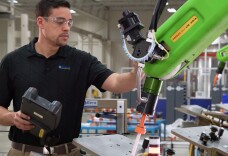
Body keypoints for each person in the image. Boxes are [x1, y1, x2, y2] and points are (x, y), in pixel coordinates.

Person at [0, 0, 138, 155]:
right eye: (59, 22)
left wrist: (137, 71)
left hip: (68, 152)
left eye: (69, 22)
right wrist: (13, 118)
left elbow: (117, 82)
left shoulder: (81, 61)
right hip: (23, 152)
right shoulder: (13, 61)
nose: (66, 28)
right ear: (41, 22)